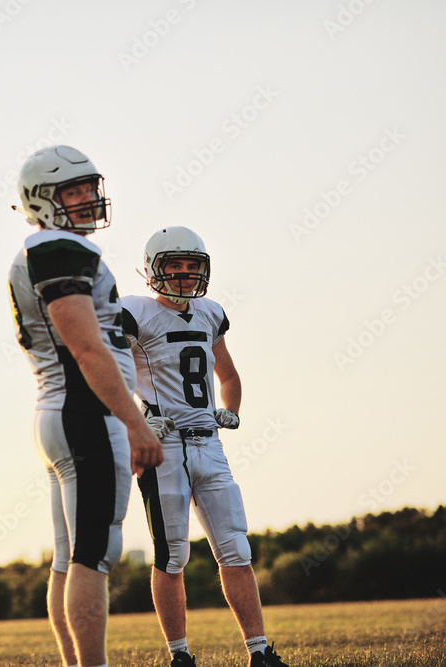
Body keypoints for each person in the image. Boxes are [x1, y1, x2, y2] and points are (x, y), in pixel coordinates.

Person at [7, 145, 164, 667]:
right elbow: (87, 346)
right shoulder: (57, 248)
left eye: (88, 188)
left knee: (69, 558)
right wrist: (135, 422)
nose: (87, 199)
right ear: (42, 200)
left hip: (59, 414)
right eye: (71, 191)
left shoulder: (46, 249)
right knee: (95, 554)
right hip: (85, 417)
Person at [119, 227, 289, 667]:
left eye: (192, 265)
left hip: (209, 443)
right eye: (174, 265)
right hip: (165, 445)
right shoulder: (134, 312)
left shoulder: (211, 313)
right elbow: (109, 365)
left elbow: (227, 375)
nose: (184, 273)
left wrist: (231, 409)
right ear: (153, 269)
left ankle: (260, 651)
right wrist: (137, 418)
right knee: (172, 553)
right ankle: (180, 655)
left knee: (236, 547)